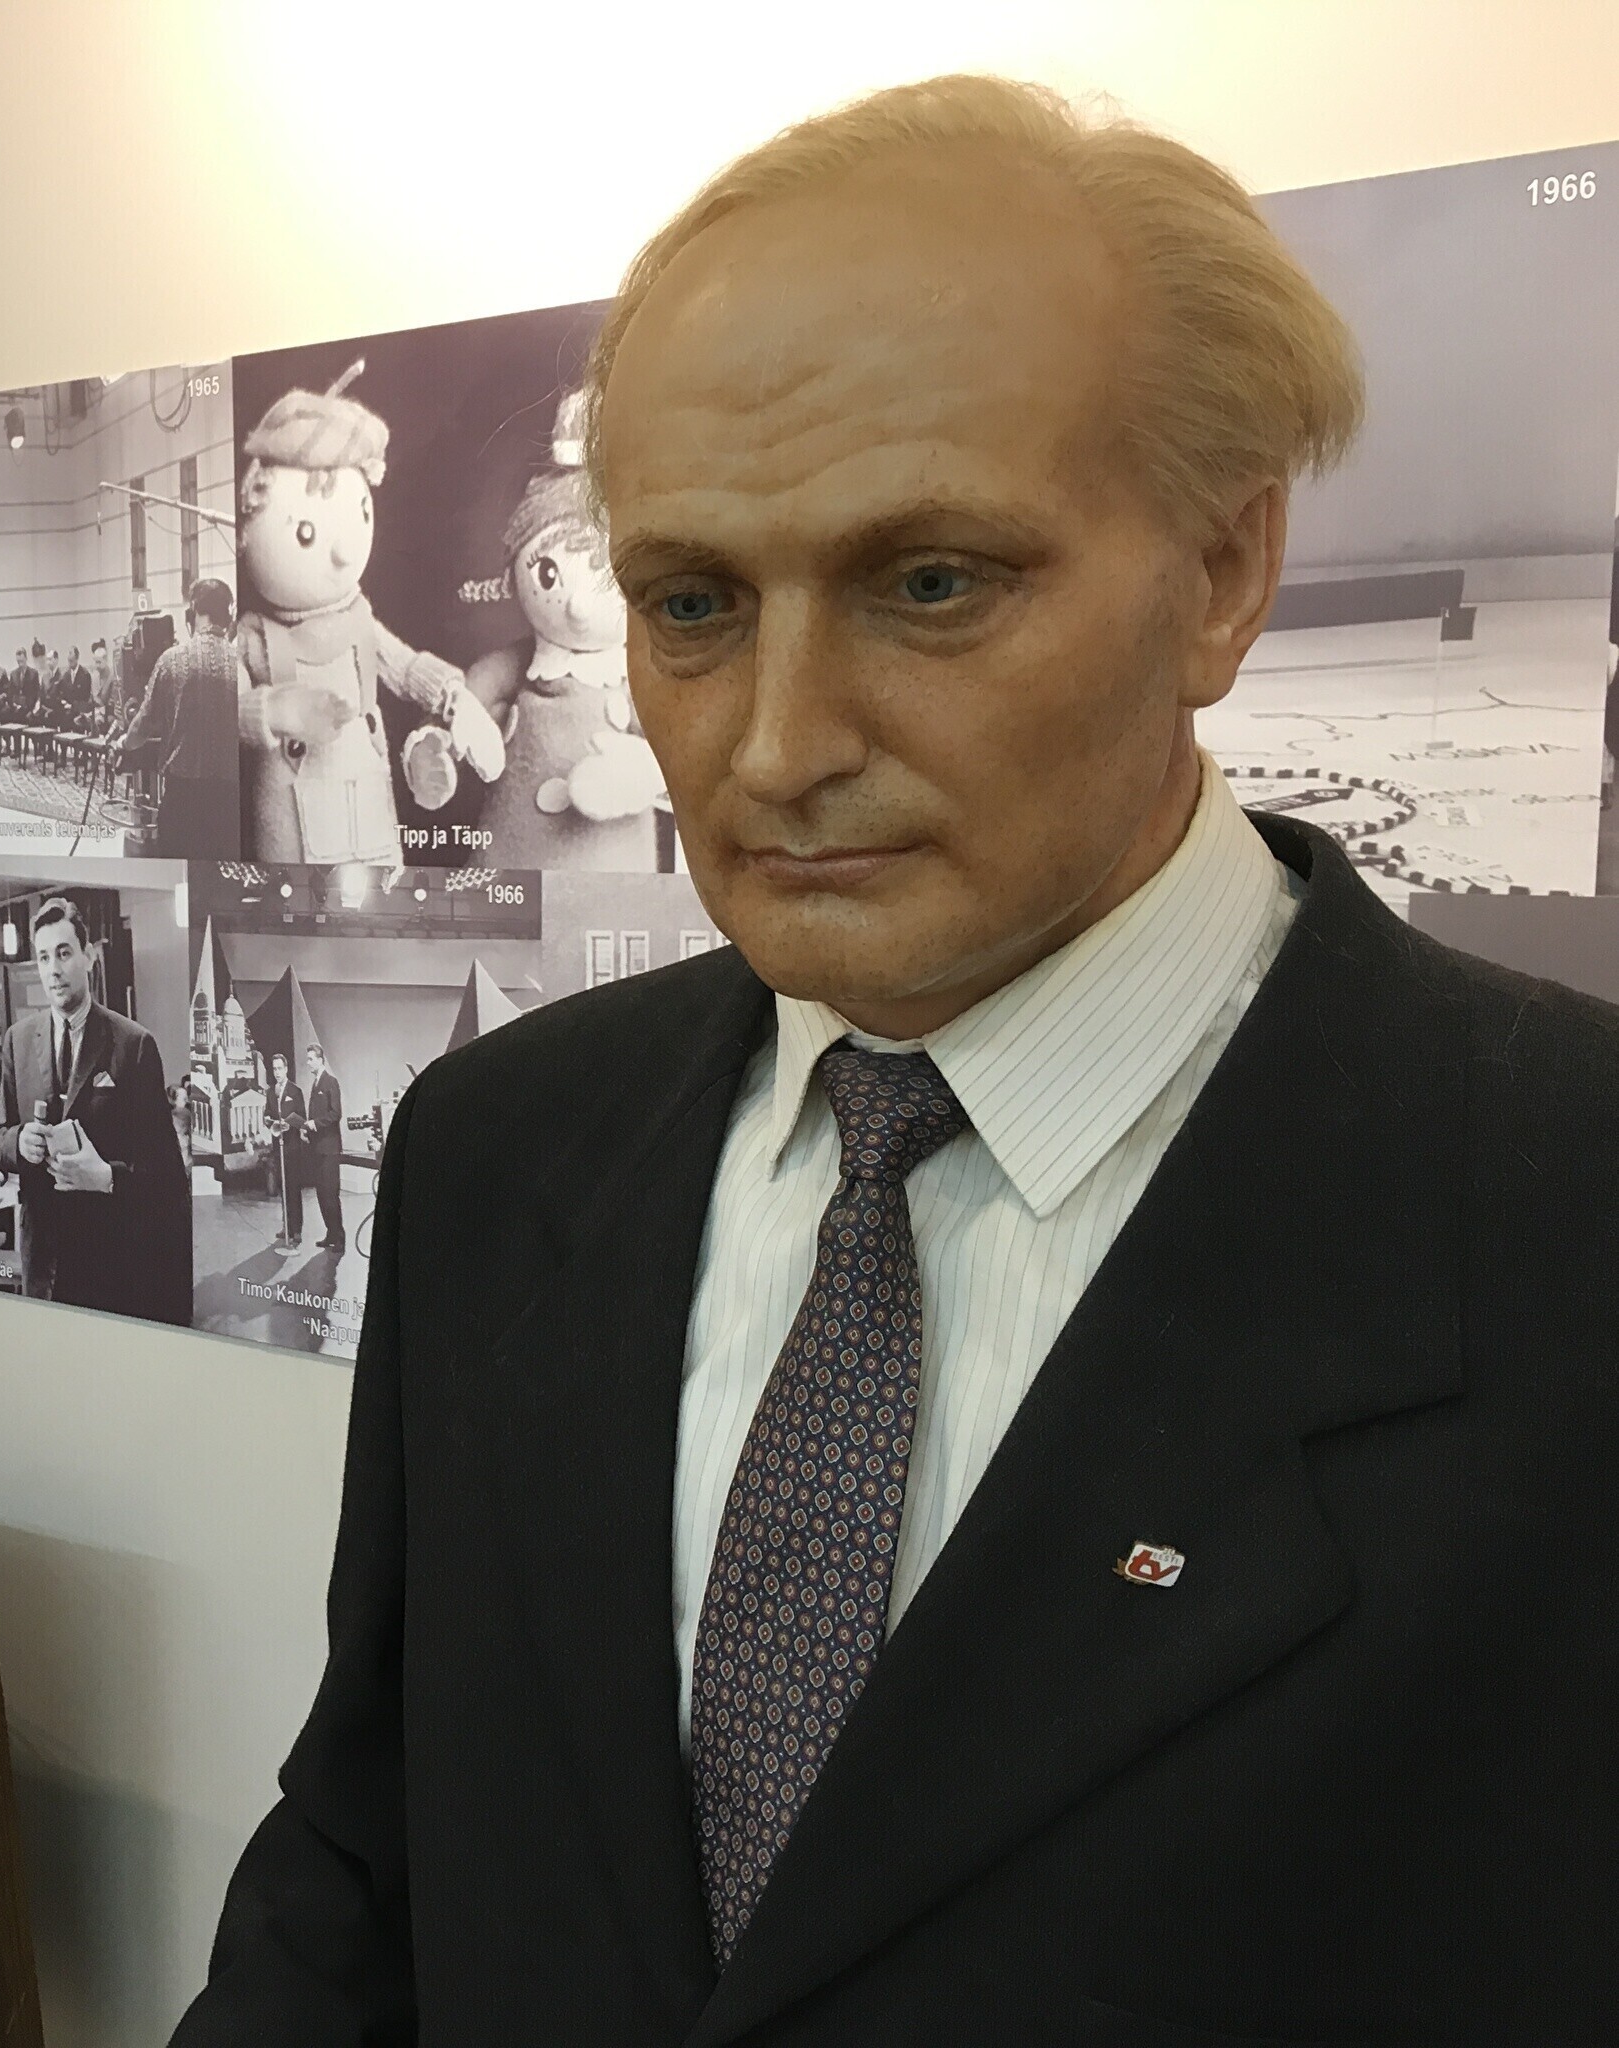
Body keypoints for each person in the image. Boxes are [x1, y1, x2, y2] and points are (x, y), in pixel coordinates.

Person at [176, 75, 1619, 2045]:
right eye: (693, 603)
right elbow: (369, 1851)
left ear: (1221, 571)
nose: (776, 747)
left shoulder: (1564, 1216)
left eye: (932, 581)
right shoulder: (496, 1147)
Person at [0, 898, 188, 1322]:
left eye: (64, 953)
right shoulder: (17, 1041)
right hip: (42, 1266)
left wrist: (106, 1178)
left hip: (110, 1267)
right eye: (44, 957)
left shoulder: (133, 1045)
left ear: (89, 956)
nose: (53, 969)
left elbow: (168, 1173)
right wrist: (19, 1142)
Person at [124, 578, 242, 856]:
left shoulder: (171, 660)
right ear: (228, 616)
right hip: (230, 802)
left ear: (193, 613)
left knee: (178, 870)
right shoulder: (243, 665)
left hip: (182, 801)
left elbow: (140, 729)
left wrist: (124, 743)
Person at [292, 1042, 344, 1256]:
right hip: (317, 1148)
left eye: (311, 1059)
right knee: (322, 1194)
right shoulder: (315, 1084)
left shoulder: (330, 1082)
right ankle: (330, 1234)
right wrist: (306, 1129)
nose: (308, 1063)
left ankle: (339, 1238)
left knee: (331, 1194)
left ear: (320, 1060)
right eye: (307, 1059)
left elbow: (335, 1114)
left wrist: (315, 1124)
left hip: (330, 1149)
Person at [263, 1050, 303, 1249]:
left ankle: (297, 1230)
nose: (277, 1072)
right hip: (277, 1146)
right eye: (274, 1069)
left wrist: (290, 1124)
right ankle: (286, 1227)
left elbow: (302, 1118)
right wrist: (268, 1120)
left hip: (292, 1147)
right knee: (283, 1187)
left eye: (280, 1068)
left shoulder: (295, 1091)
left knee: (293, 1188)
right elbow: (267, 1114)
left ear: (286, 1069)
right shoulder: (271, 1092)